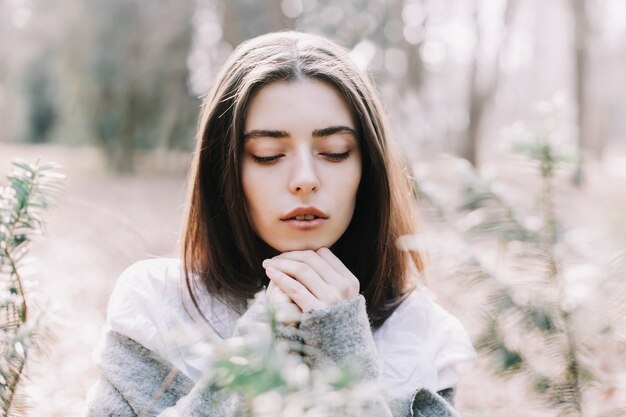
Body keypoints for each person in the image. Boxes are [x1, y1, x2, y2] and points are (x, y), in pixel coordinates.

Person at [86, 31, 476, 417]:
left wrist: (343, 346)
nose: (304, 179)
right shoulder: (158, 306)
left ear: (367, 169)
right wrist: (263, 339)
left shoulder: (417, 335)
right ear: (224, 172)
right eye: (268, 155)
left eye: (334, 152)